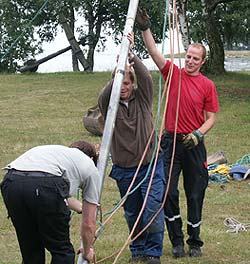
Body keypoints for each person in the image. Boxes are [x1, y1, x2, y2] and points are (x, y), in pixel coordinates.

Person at [136, 9, 220, 258]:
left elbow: (211, 117)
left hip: (194, 143)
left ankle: (195, 242)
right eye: (189, 56)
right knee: (168, 193)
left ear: (202, 61)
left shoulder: (208, 85)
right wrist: (145, 27)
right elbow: (153, 52)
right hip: (170, 142)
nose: (191, 61)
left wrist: (199, 133)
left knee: (195, 194)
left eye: (196, 58)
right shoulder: (173, 73)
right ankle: (176, 241)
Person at [98, 33, 166, 264]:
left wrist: (132, 56)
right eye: (120, 83)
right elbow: (105, 94)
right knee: (133, 212)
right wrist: (118, 70)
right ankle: (138, 250)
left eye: (127, 83)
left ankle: (153, 253)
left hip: (150, 165)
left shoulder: (143, 97)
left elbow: (145, 76)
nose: (124, 87)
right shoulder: (109, 105)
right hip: (125, 169)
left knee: (153, 208)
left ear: (133, 84)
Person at [0, 140, 101, 264]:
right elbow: (89, 223)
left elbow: (40, 185)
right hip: (44, 186)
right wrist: (87, 250)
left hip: (11, 183)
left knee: (31, 248)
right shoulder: (90, 167)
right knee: (62, 251)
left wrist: (80, 207)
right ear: (92, 158)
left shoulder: (57, 154)